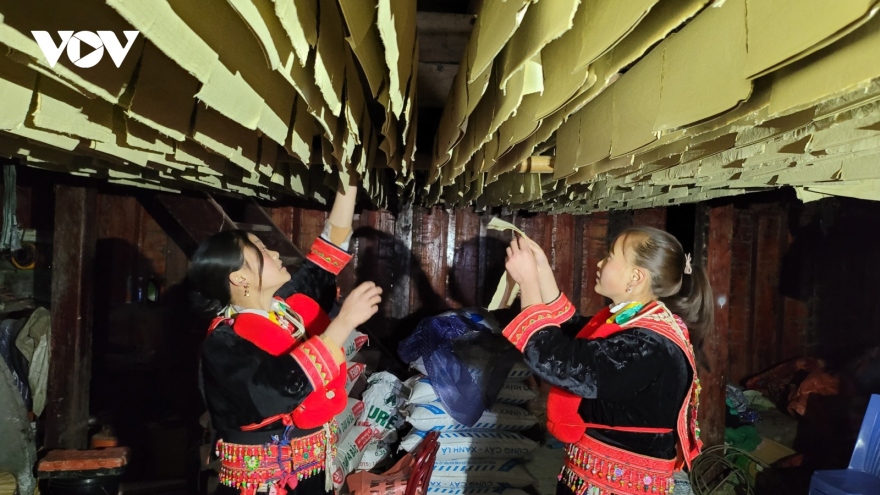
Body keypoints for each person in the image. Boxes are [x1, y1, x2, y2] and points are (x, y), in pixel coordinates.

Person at [188, 181, 382, 495]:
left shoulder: (284, 307)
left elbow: (326, 255)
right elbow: (277, 390)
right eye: (261, 251)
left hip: (310, 473)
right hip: (262, 485)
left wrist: (347, 183)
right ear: (240, 278)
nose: (275, 251)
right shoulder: (222, 344)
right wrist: (344, 322)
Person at [501, 227, 711, 495]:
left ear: (636, 277)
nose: (600, 263)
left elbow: (559, 361)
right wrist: (541, 271)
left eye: (610, 256)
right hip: (595, 477)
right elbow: (578, 336)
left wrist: (528, 284)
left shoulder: (649, 345)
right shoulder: (641, 322)